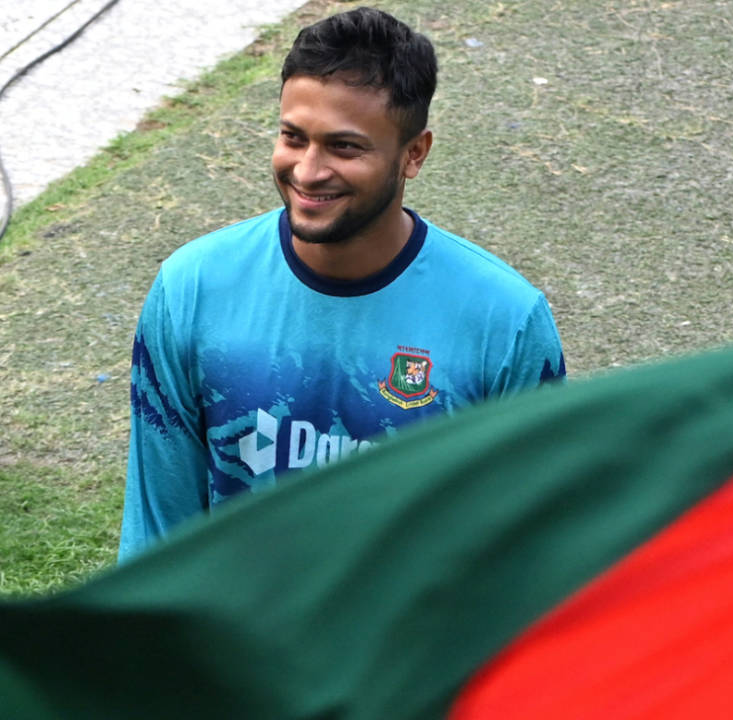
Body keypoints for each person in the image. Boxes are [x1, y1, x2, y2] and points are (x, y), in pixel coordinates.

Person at [119, 7, 566, 561]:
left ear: (414, 154)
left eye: (344, 147)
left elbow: (526, 553)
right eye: (293, 137)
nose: (308, 171)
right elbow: (158, 533)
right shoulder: (192, 288)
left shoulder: (505, 323)